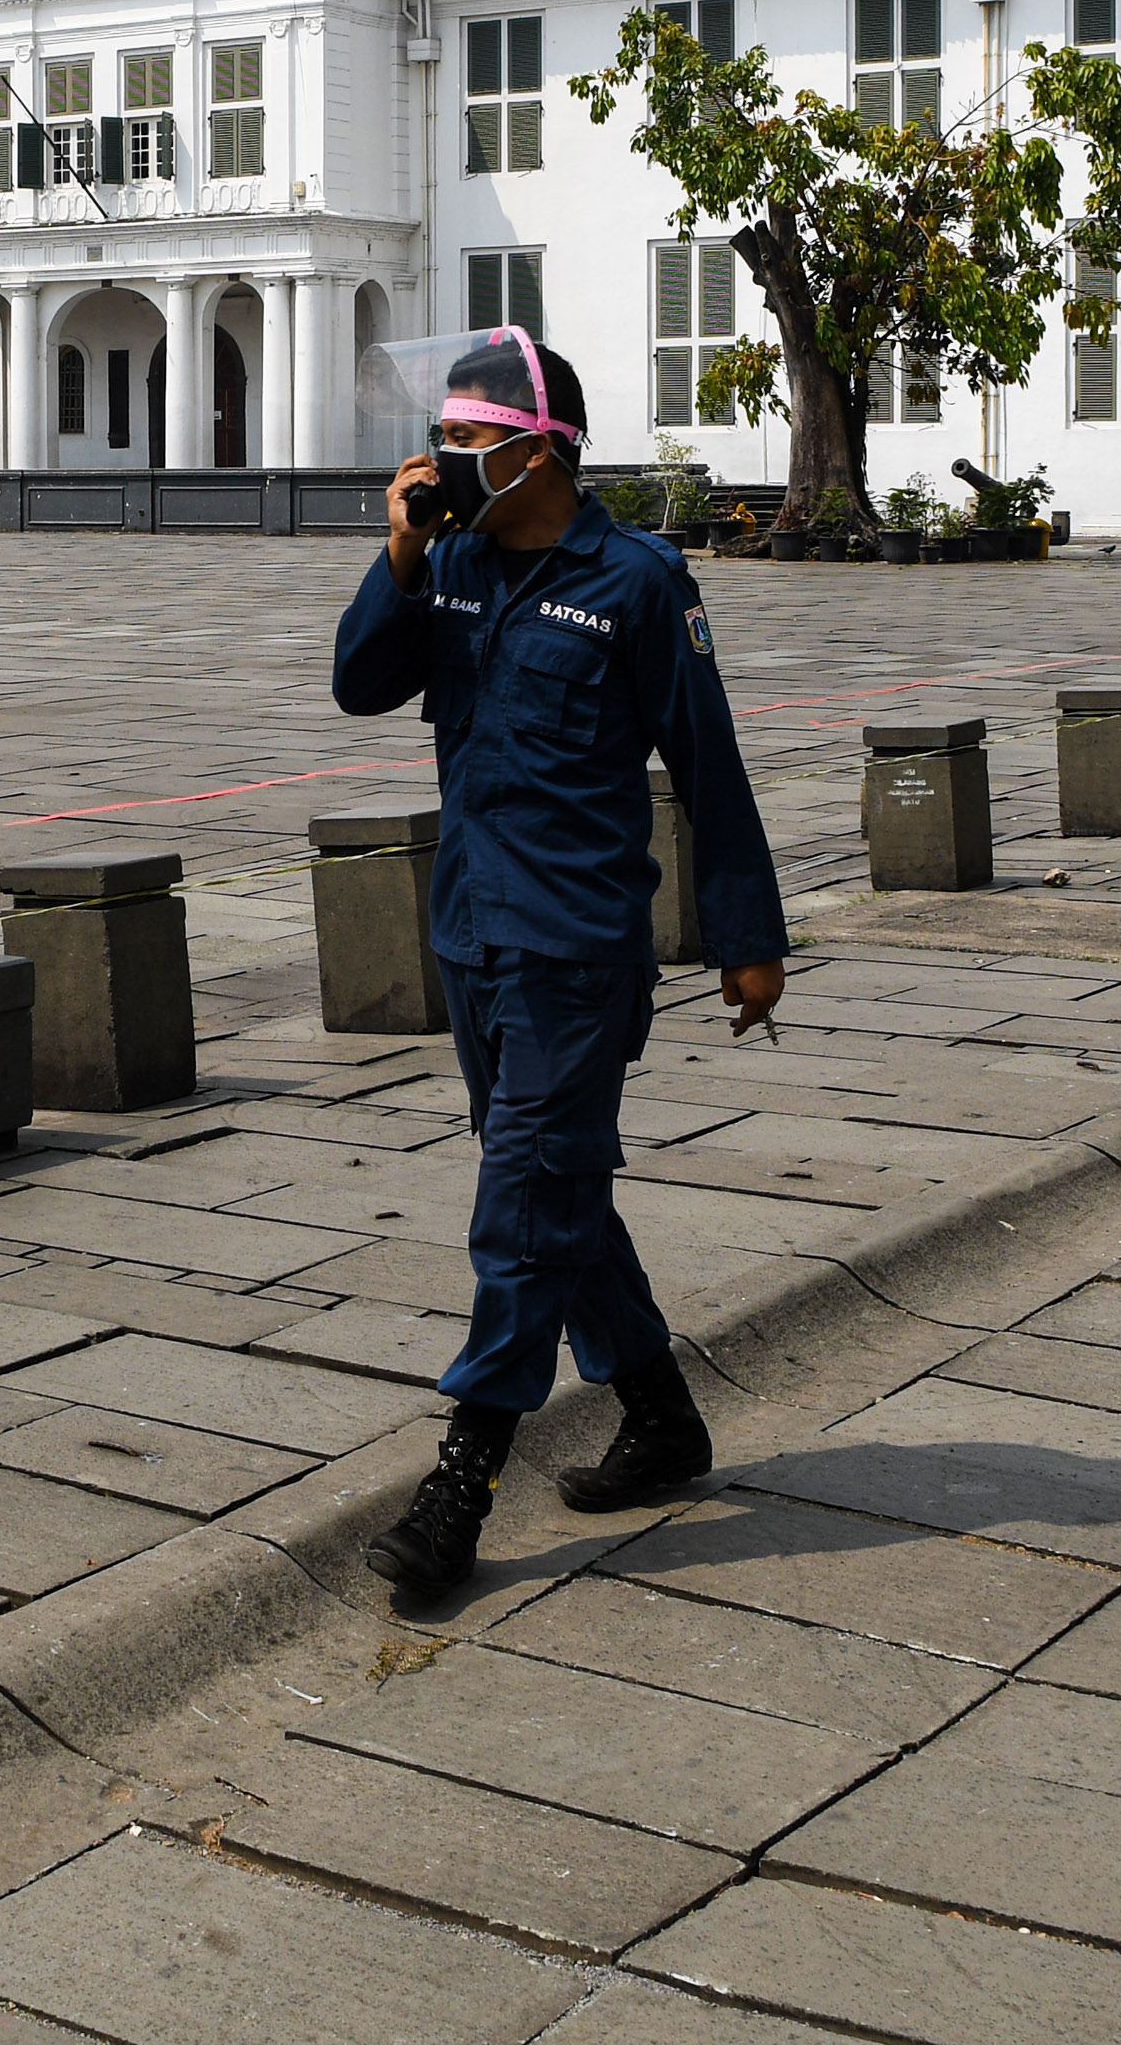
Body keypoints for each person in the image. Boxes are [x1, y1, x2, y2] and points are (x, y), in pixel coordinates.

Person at [331, 328, 788, 1598]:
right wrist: (404, 550)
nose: (447, 458)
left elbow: (710, 766)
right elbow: (359, 685)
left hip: (579, 949)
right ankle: (658, 1413)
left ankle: (465, 1474)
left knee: (524, 1203)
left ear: (538, 451)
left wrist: (750, 944)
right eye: (447, 437)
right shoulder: (458, 563)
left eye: (471, 440)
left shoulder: (639, 582)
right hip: (471, 934)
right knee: (552, 1186)